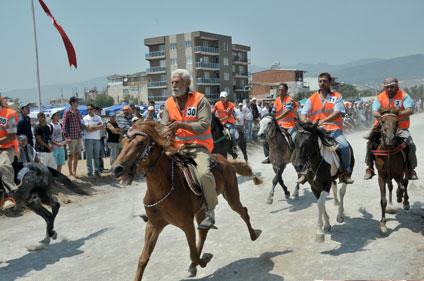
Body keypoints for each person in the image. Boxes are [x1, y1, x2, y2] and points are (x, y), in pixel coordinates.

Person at [161, 69, 217, 230]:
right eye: (172, 82)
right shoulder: (168, 103)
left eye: (177, 82)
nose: (173, 85)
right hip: (176, 147)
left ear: (186, 83)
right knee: (156, 167)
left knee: (204, 174)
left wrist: (180, 125)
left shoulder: (200, 100)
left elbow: (204, 125)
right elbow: (164, 126)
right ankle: (157, 209)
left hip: (199, 146)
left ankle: (210, 212)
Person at [300, 72, 354, 184]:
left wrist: (323, 121)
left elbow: (337, 112)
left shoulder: (336, 97)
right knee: (303, 145)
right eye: (320, 81)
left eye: (324, 81)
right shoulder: (312, 98)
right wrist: (305, 121)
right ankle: (305, 170)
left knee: (344, 146)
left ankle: (345, 172)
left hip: (334, 130)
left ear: (329, 83)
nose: (322, 83)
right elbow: (303, 113)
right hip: (317, 131)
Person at [364, 77, 418, 180]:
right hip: (382, 128)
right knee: (370, 143)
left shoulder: (404, 96)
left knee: (410, 144)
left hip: (400, 128)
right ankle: (370, 168)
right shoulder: (379, 97)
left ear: (397, 86)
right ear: (384, 88)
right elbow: (375, 111)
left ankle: (410, 170)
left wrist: (396, 114)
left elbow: (410, 110)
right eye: (387, 87)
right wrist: (382, 117)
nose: (389, 89)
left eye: (392, 87)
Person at [0, 96, 19, 210]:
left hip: (7, 148)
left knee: (2, 165)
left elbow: (11, 136)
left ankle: (8, 195)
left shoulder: (9, 114)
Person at [63, 96, 83, 177]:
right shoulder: (67, 112)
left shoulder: (78, 111)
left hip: (78, 136)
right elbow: (64, 125)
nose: (77, 103)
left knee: (77, 155)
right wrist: (67, 137)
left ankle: (74, 171)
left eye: (77, 102)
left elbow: (79, 123)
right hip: (71, 137)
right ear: (72, 103)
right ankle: (70, 172)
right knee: (70, 155)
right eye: (76, 102)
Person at [83, 104, 103, 177]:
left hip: (97, 139)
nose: (89, 110)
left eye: (91, 109)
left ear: (94, 109)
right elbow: (88, 129)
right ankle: (90, 172)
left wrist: (92, 127)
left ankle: (97, 171)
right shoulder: (85, 118)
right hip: (88, 139)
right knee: (89, 157)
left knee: (96, 157)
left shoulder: (98, 117)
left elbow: (101, 127)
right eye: (88, 109)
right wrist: (97, 126)